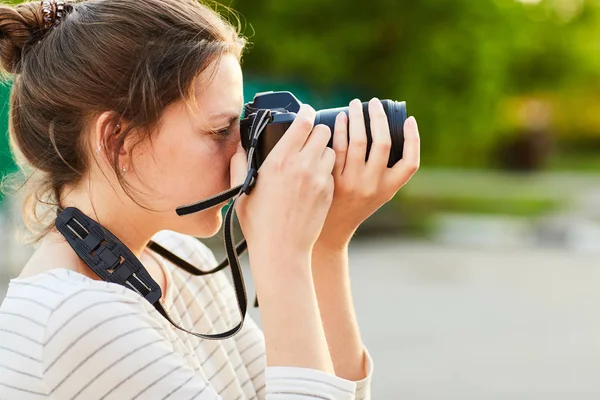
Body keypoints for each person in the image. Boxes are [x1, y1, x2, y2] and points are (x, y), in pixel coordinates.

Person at [0, 0, 420, 399]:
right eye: (221, 131)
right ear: (118, 141)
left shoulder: (179, 260)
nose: (244, 152)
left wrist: (324, 246)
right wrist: (281, 255)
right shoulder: (74, 318)